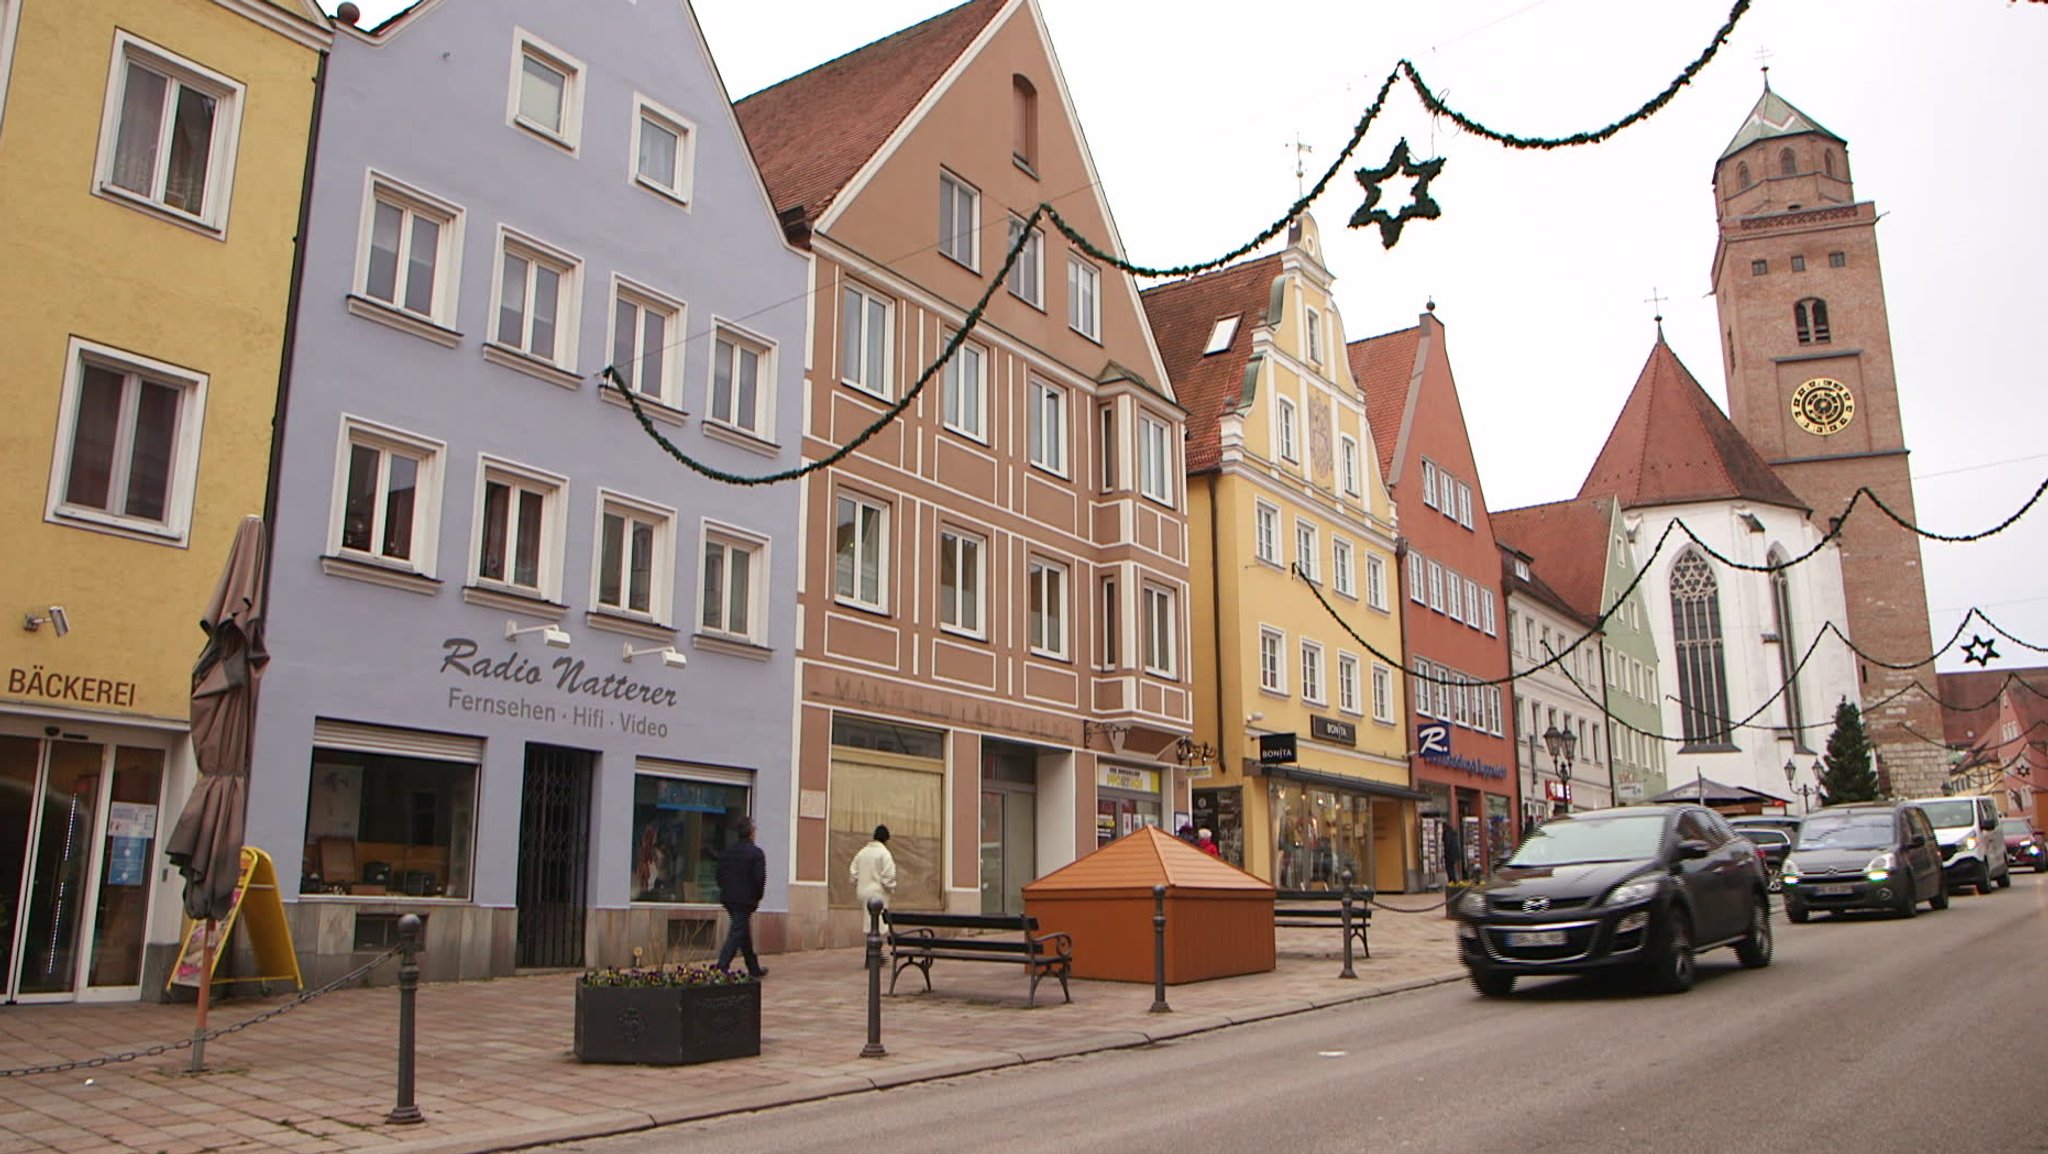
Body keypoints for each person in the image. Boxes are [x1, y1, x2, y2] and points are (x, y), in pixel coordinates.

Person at [714, 817, 768, 978]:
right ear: (751, 833)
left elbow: (719, 875)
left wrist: (726, 890)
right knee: (737, 932)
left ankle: (753, 967)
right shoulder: (756, 854)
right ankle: (721, 966)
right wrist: (757, 896)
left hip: (729, 898)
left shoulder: (727, 852)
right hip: (745, 900)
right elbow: (760, 878)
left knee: (742, 931)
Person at [850, 824, 898, 914]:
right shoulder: (884, 854)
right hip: (878, 896)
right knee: (879, 924)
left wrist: (860, 885)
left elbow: (853, 874)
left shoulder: (862, 852)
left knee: (867, 924)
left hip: (863, 894)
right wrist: (891, 889)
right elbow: (889, 877)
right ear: (886, 839)